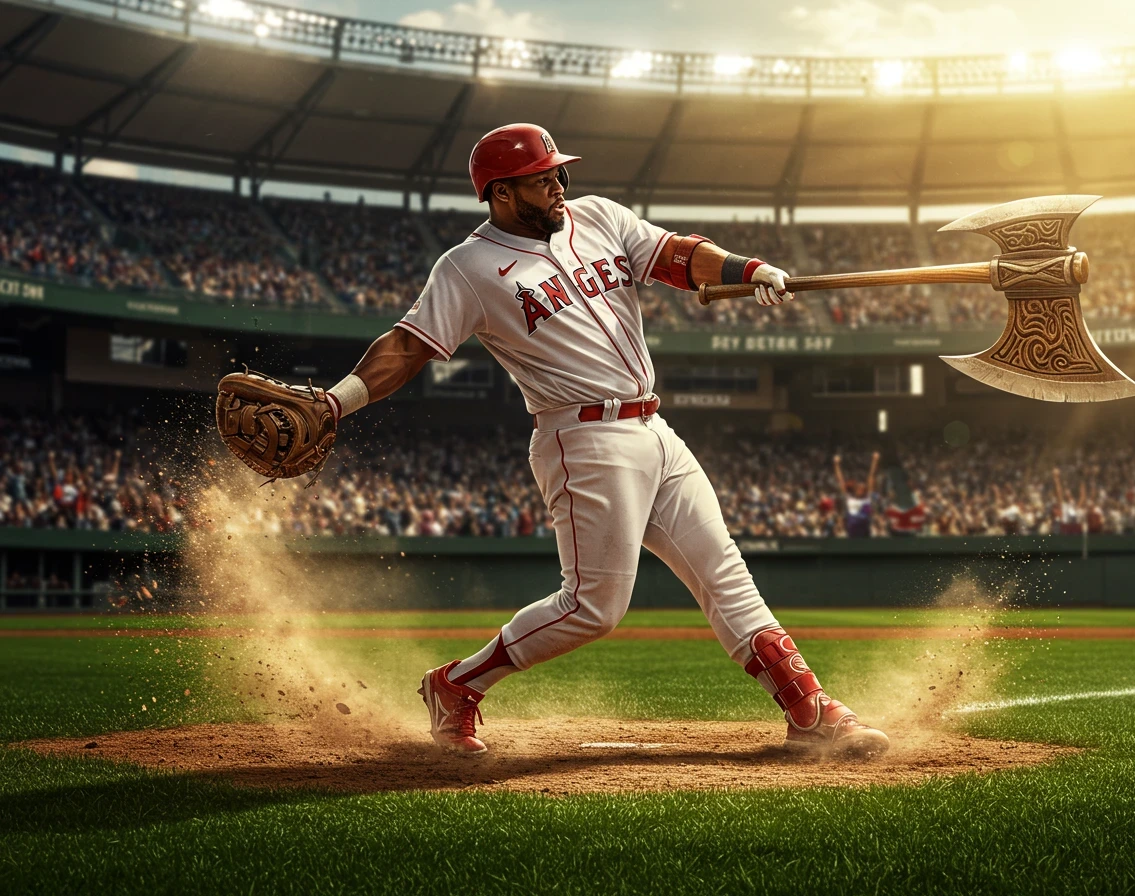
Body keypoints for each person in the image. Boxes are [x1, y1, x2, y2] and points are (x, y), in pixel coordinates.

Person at [318, 124, 889, 759]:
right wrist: (336, 402)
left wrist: (748, 269)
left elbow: (676, 257)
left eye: (559, 173)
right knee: (594, 607)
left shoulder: (598, 217)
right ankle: (455, 685)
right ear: (502, 193)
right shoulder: (467, 267)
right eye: (542, 178)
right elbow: (408, 346)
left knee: (725, 574)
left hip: (656, 430)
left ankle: (810, 710)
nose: (559, 185)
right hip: (583, 438)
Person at [833, 451, 879, 538]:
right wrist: (836, 465)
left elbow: (871, 476)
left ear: (864, 490)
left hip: (865, 532)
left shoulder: (867, 498)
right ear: (855, 490)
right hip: (852, 532)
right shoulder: (849, 498)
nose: (860, 487)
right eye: (858, 487)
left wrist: (875, 461)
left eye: (862, 487)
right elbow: (840, 481)